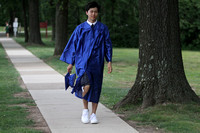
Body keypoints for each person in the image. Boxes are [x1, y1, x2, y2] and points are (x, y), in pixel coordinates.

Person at [60, 1, 112, 124]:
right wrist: (71, 63)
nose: (93, 14)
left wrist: (109, 60)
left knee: (96, 87)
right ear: (87, 12)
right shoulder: (80, 28)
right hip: (82, 62)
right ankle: (85, 110)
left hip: (97, 62)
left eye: (95, 11)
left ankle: (94, 114)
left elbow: (108, 45)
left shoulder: (103, 28)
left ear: (97, 13)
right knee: (86, 85)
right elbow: (73, 46)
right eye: (91, 11)